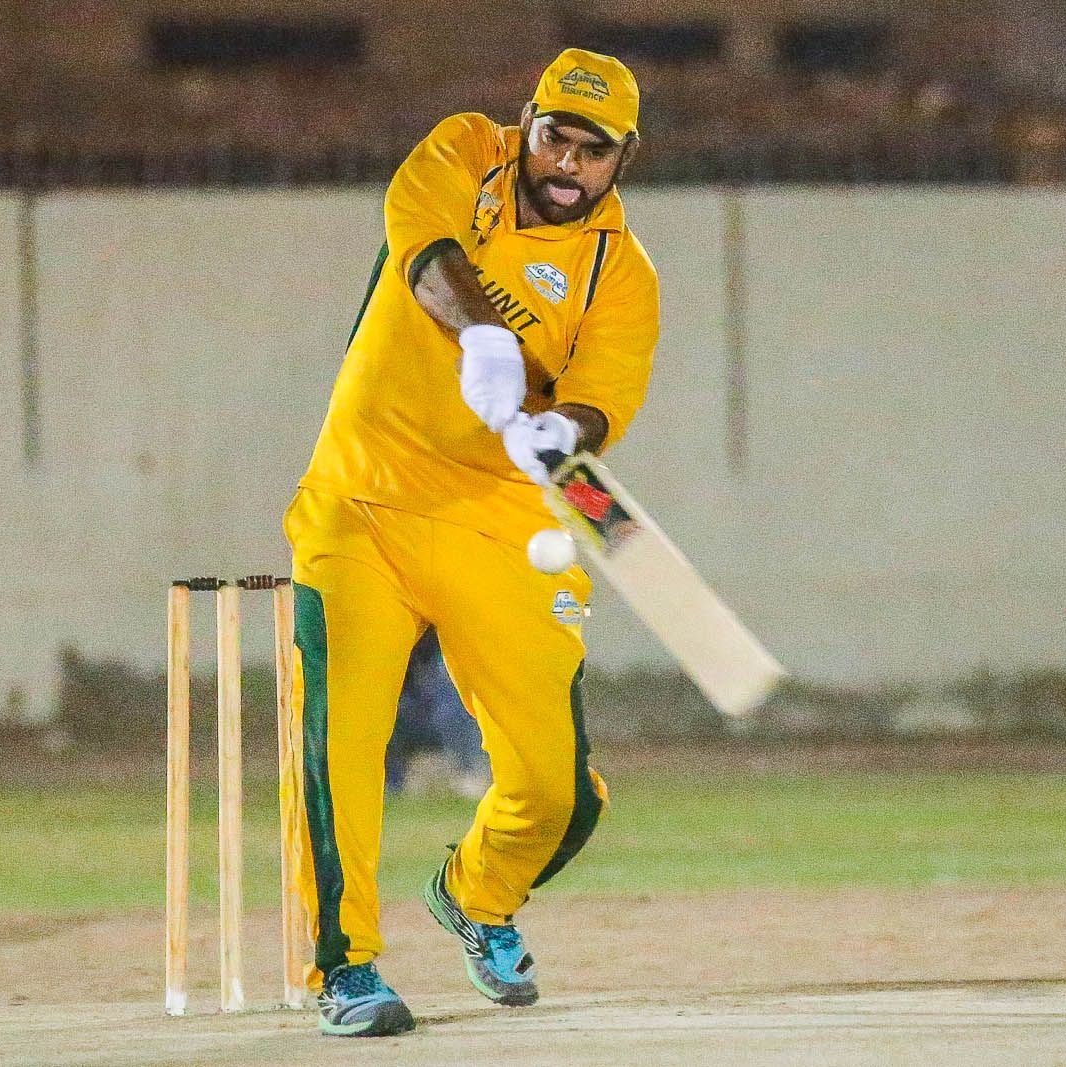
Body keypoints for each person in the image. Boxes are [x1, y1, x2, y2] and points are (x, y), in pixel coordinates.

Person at [283, 47, 659, 1037]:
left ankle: (476, 893)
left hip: (501, 519)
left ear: (624, 158)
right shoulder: (461, 152)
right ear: (526, 123)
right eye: (555, 138)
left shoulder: (623, 275)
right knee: (341, 743)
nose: (568, 164)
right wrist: (486, 337)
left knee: (560, 791)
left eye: (594, 150)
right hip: (361, 498)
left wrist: (560, 428)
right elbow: (424, 244)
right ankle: (344, 964)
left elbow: (602, 396)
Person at [385, 627, 492, 798]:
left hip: (430, 664)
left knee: (452, 703)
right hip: (409, 679)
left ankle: (470, 771)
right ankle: (391, 780)